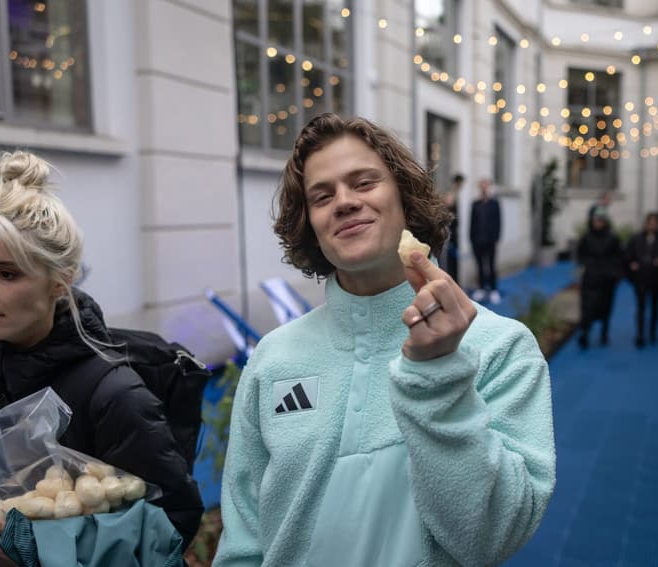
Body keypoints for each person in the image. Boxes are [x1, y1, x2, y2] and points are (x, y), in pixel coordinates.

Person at [211, 114, 555, 567]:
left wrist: (439, 375)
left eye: (364, 182)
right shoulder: (273, 358)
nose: (344, 202)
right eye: (322, 195)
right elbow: (243, 536)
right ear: (309, 223)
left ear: (404, 199)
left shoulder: (500, 347)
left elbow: (490, 536)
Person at [0, 151, 203, 567]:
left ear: (60, 281)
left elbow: (166, 534)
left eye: (6, 273)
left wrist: (38, 552)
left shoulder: (114, 394)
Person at [625, 212, 658, 347]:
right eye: (650, 223)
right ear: (646, 224)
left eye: (655, 223)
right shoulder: (636, 238)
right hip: (641, 278)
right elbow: (628, 253)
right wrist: (632, 263)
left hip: (656, 278)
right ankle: (640, 334)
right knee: (640, 307)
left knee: (655, 306)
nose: (652, 225)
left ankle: (653, 332)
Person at [576, 208, 623, 348]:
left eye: (601, 220)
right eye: (596, 220)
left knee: (606, 307)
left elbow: (619, 256)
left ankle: (604, 333)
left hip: (607, 280)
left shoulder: (613, 238)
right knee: (587, 308)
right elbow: (580, 256)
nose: (598, 223)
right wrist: (589, 265)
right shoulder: (586, 238)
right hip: (590, 279)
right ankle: (585, 334)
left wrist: (613, 272)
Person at [469, 177, 502, 304]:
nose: (484, 188)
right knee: (480, 266)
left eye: (486, 186)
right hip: (477, 240)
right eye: (481, 186)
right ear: (479, 188)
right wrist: (471, 238)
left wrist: (496, 237)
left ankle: (494, 289)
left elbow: (498, 221)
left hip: (490, 240)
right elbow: (472, 222)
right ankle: (482, 288)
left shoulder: (494, 203)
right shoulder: (475, 204)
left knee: (491, 265)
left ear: (489, 187)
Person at [440, 173, 464, 282]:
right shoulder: (451, 193)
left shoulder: (456, 195)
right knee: (447, 263)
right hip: (448, 238)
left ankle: (455, 282)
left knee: (454, 263)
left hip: (454, 236)